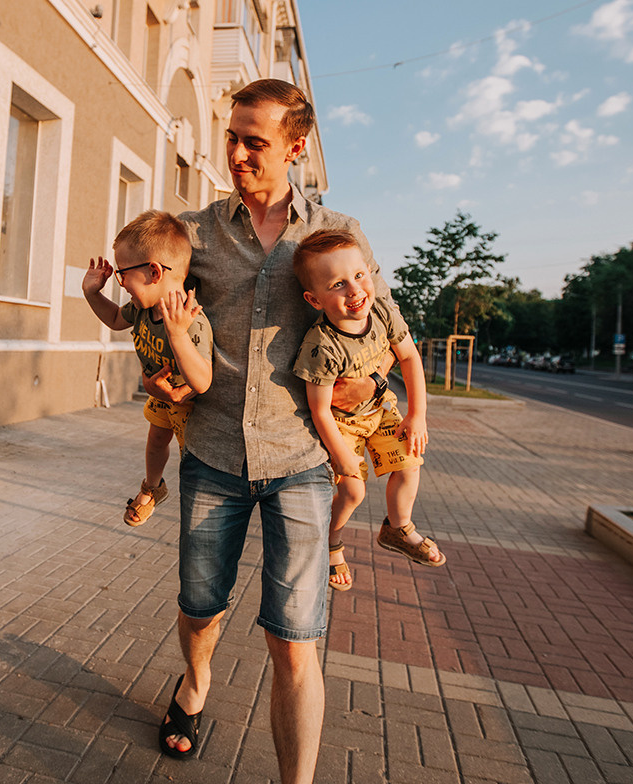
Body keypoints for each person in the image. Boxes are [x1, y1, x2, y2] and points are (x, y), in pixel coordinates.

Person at [149, 78, 397, 784]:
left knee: (295, 639)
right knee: (200, 608)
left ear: (296, 147)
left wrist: (375, 386)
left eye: (253, 141)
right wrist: (153, 360)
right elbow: (153, 311)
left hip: (302, 461)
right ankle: (194, 686)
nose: (235, 152)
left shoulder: (338, 237)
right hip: (214, 451)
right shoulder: (192, 233)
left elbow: (380, 330)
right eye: (231, 136)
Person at [291, 229, 443, 592]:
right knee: (353, 492)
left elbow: (409, 357)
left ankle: (398, 526)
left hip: (380, 408)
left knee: (409, 460)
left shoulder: (382, 312)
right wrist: (341, 455)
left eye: (359, 276)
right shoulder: (321, 347)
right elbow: (320, 409)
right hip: (342, 422)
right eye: (338, 284)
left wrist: (417, 415)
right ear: (314, 299)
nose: (355, 290)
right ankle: (332, 542)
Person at [82, 210, 213, 526]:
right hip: (162, 398)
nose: (122, 282)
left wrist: (178, 336)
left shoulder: (190, 319)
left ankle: (205, 513)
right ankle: (152, 488)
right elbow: (115, 320)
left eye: (123, 273)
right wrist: (91, 293)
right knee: (156, 441)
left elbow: (203, 380)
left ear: (155, 272)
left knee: (192, 462)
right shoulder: (142, 309)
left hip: (190, 409)